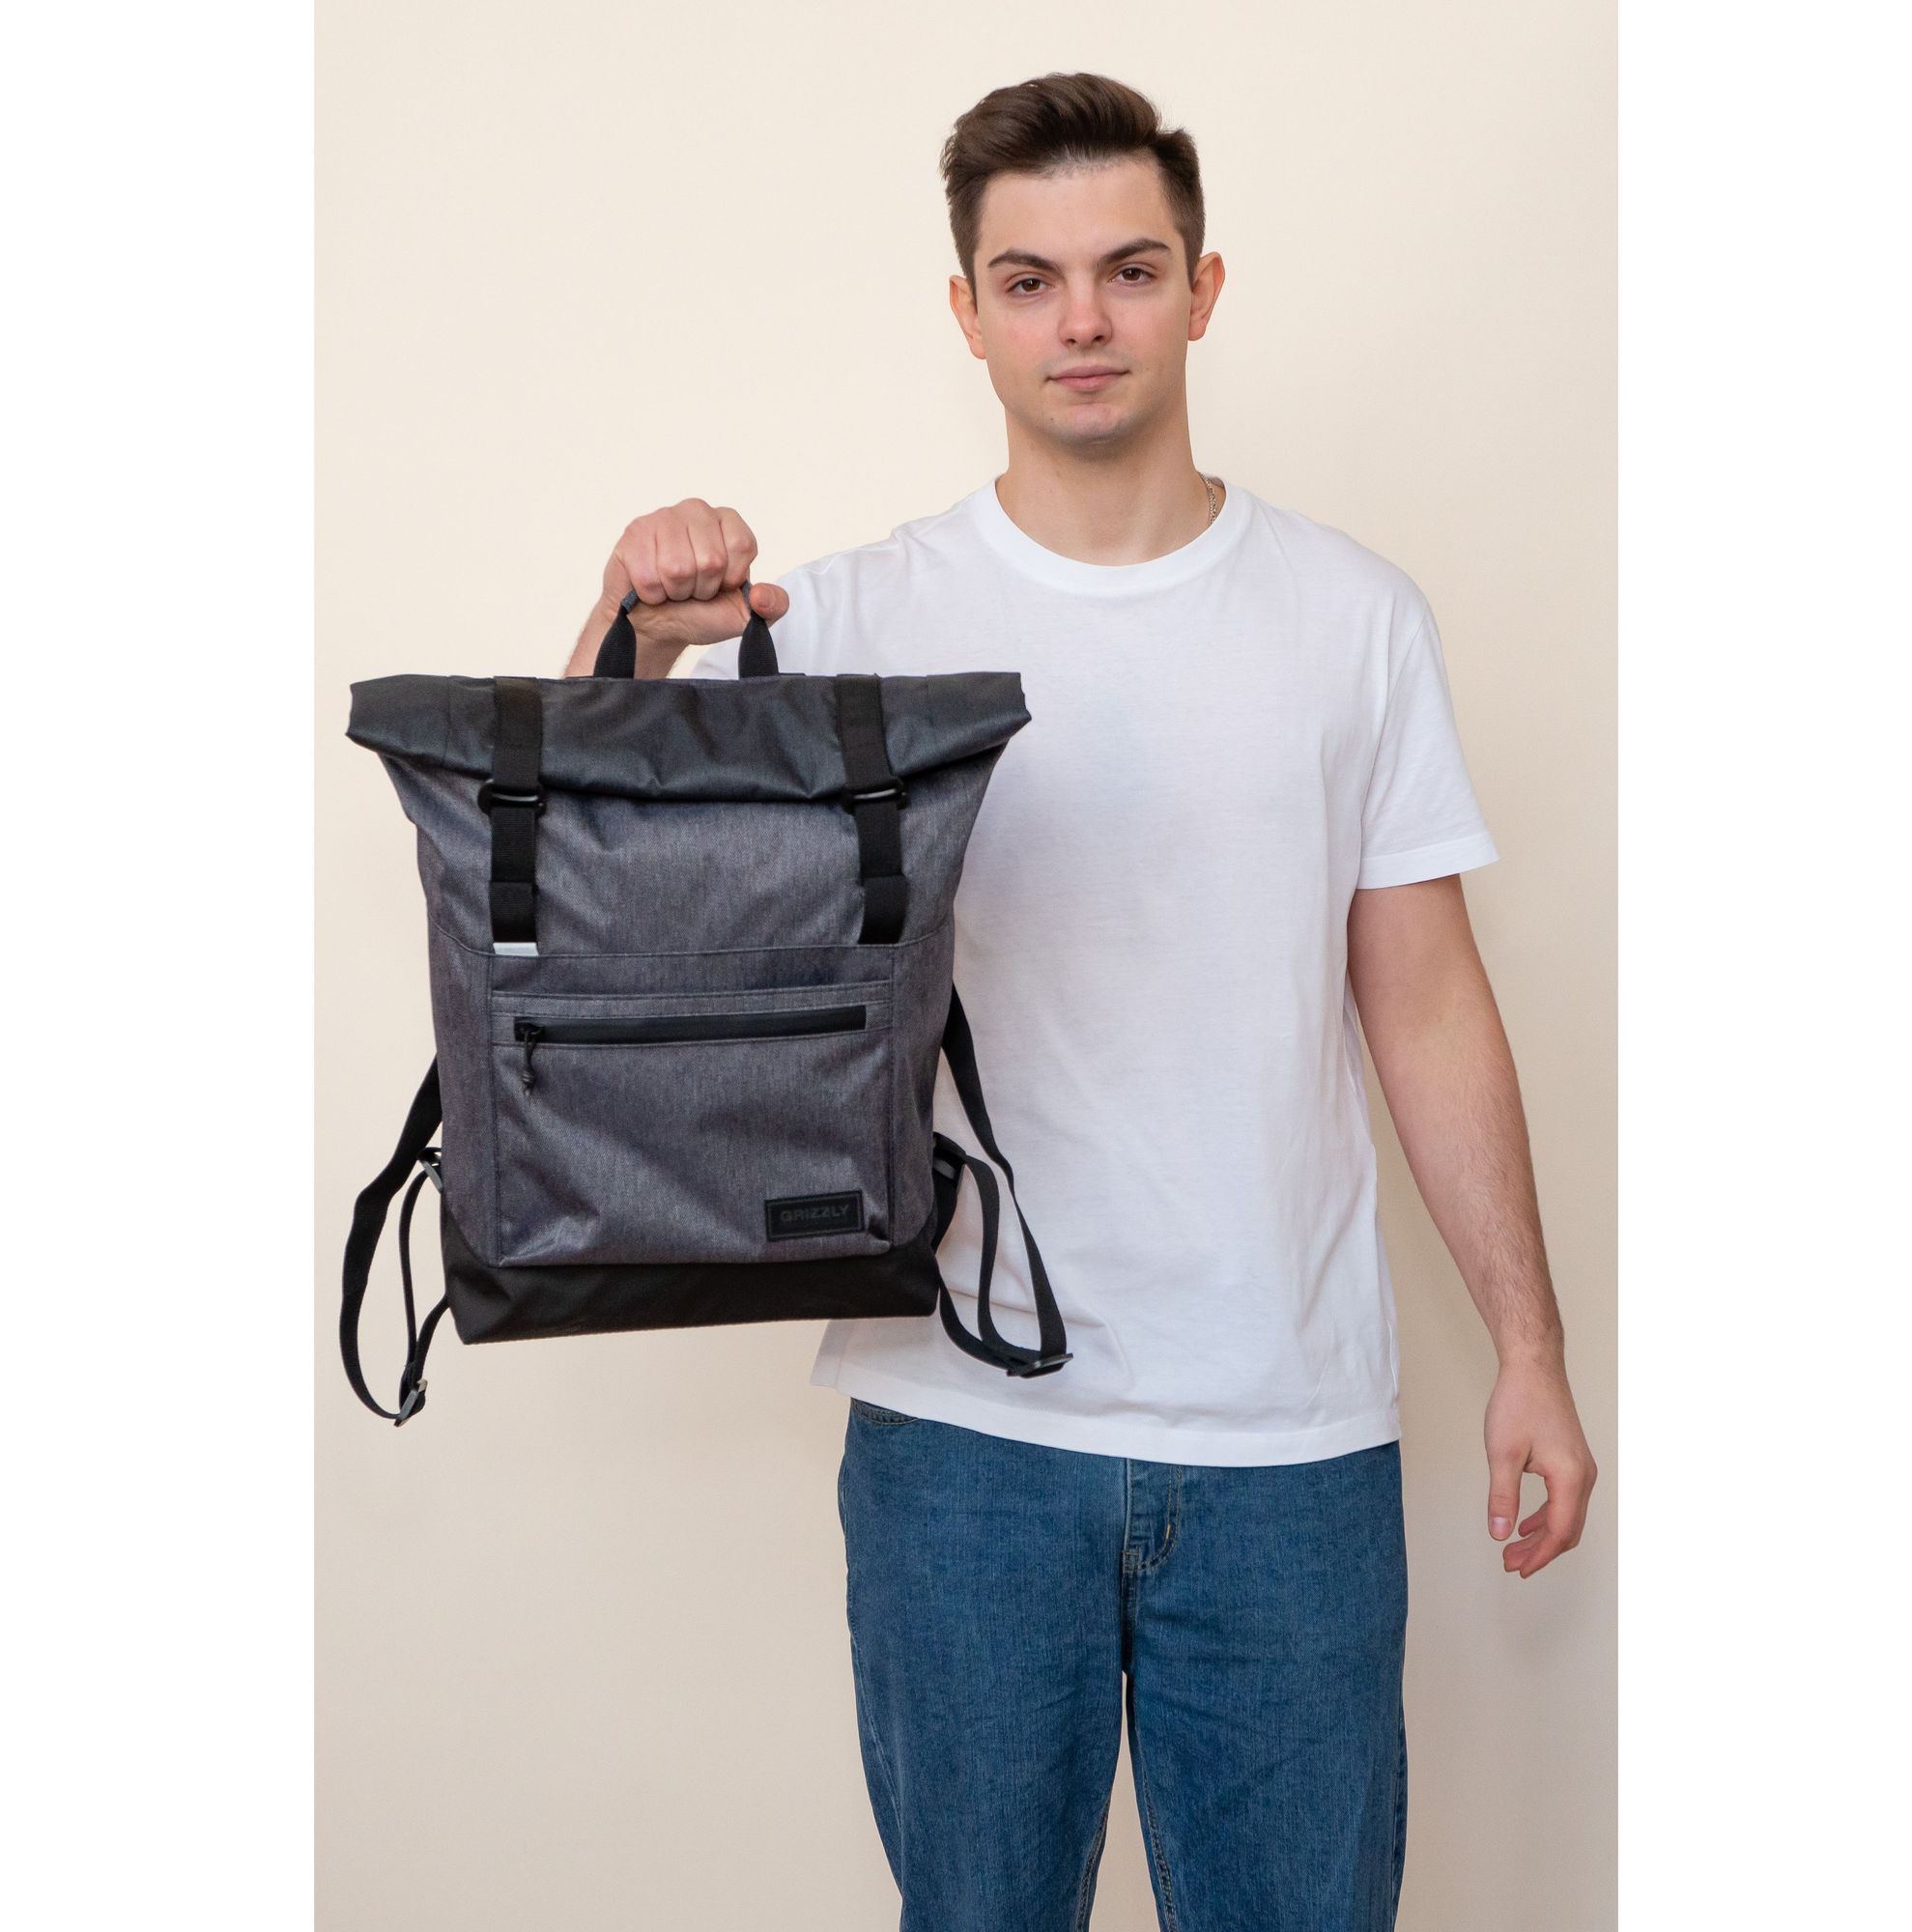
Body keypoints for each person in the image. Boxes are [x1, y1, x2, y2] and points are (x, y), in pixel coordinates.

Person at [563, 70, 1597, 1932]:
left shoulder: (1353, 618)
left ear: (1204, 288)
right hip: (961, 1434)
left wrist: (1530, 1348)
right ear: (967, 314)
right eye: (1029, 281)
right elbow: (604, 879)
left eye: (1129, 269)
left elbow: (1428, 1003)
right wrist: (632, 632)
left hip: (1288, 1440)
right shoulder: (846, 623)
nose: (1084, 320)